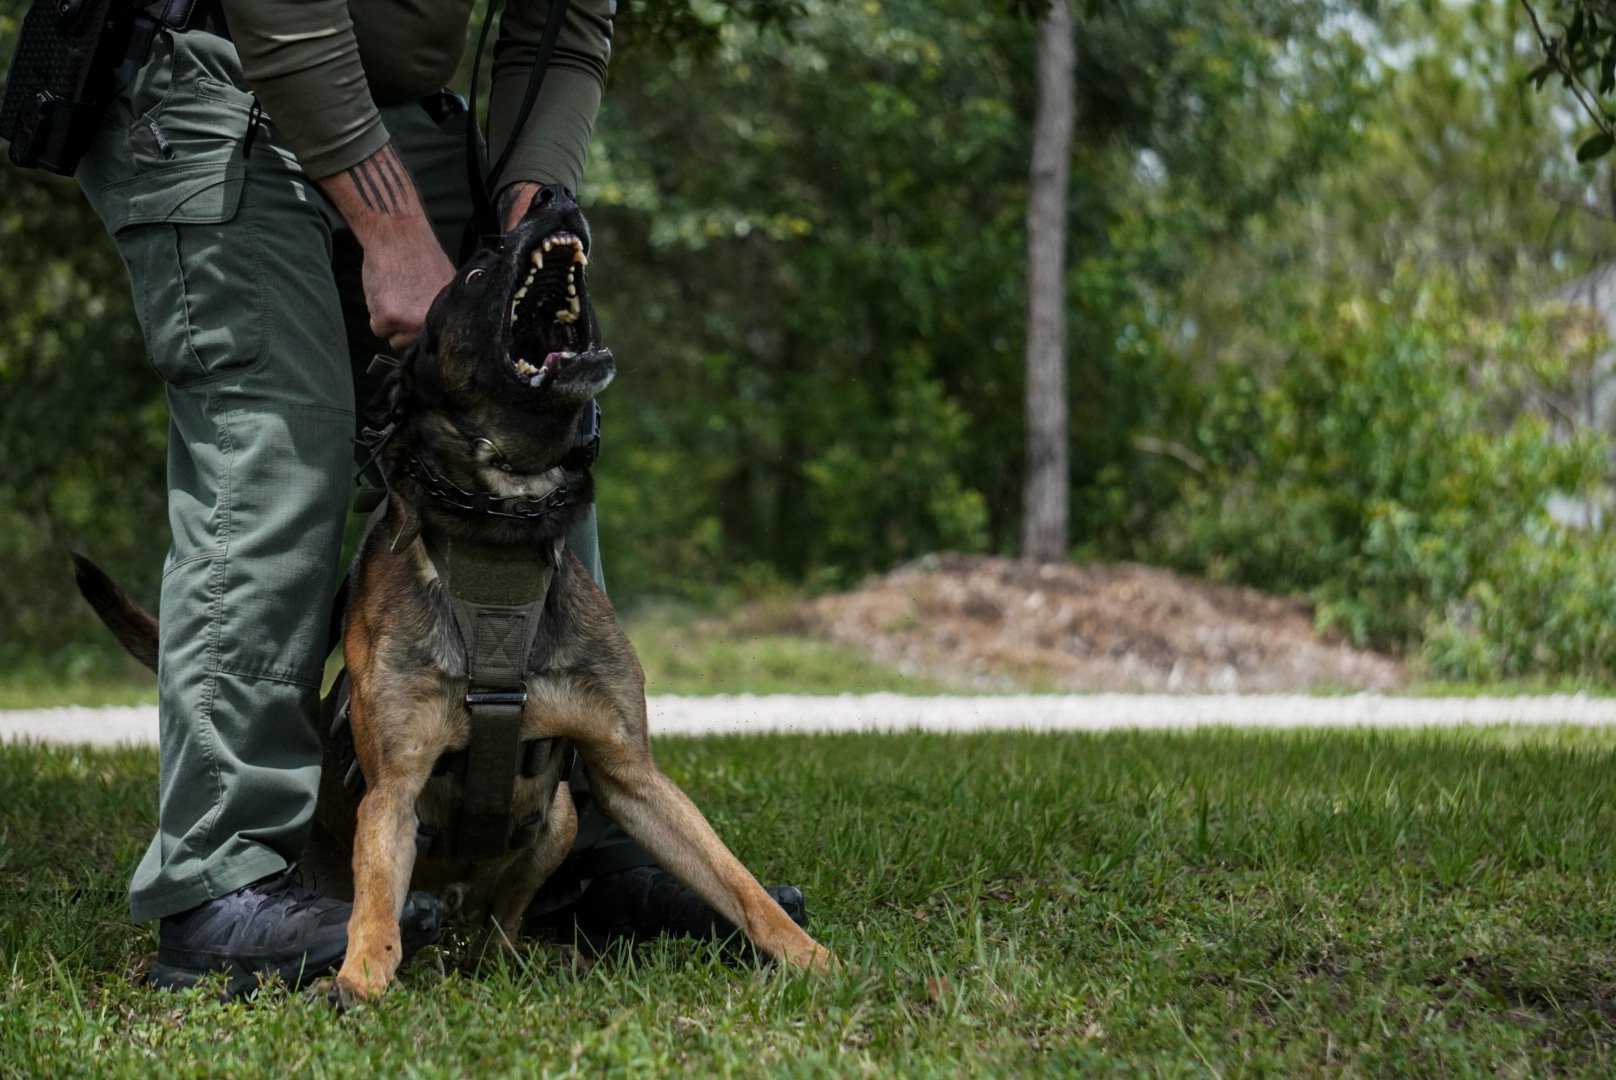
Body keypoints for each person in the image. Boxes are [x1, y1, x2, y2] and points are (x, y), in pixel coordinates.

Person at [71, 0, 803, 992]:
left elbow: (563, 23)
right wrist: (391, 231)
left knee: (524, 410)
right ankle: (222, 884)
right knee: (282, 441)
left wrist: (523, 226)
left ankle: (565, 849)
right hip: (219, 81)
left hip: (406, 110)